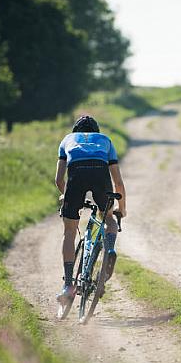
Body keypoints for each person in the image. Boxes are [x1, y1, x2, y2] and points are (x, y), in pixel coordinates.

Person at [55, 115, 127, 306]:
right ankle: (110, 248)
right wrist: (122, 208)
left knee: (70, 231)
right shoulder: (105, 140)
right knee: (109, 219)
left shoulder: (67, 140)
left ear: (75, 132)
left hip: (76, 175)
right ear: (96, 131)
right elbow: (118, 182)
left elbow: (59, 180)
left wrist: (67, 195)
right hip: (100, 173)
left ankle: (68, 285)